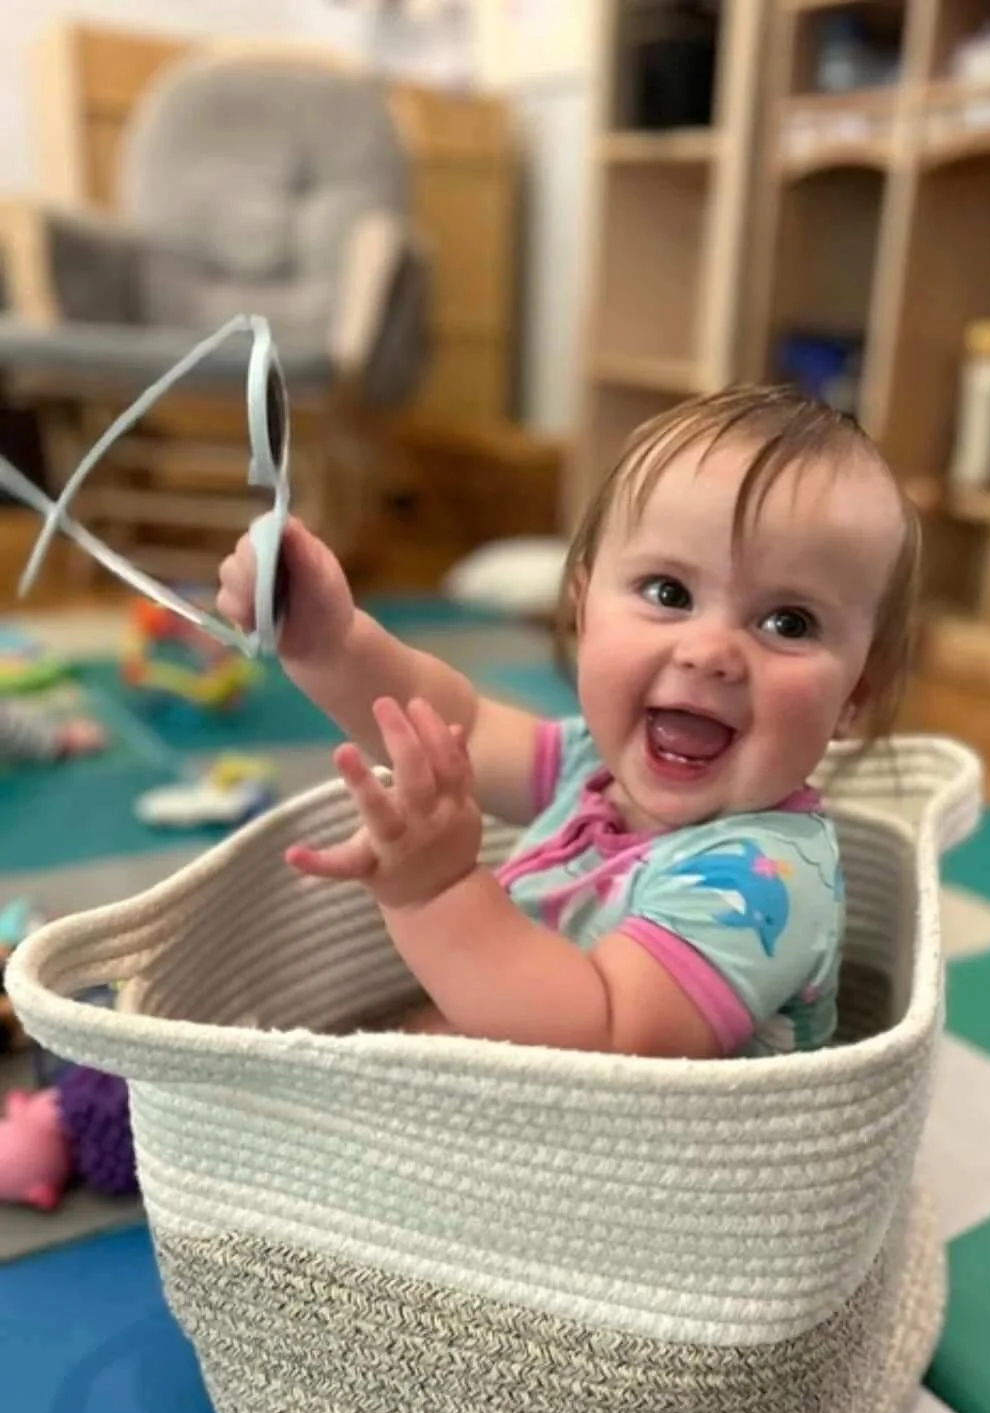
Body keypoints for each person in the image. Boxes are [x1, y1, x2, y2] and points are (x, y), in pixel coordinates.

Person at [216, 385, 919, 1058]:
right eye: (669, 592)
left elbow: (608, 1035)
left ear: (856, 692)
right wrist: (330, 642)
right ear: (584, 611)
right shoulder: (596, 767)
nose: (709, 654)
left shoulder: (764, 881)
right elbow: (458, 726)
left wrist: (434, 894)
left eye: (787, 622)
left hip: (634, 1162)